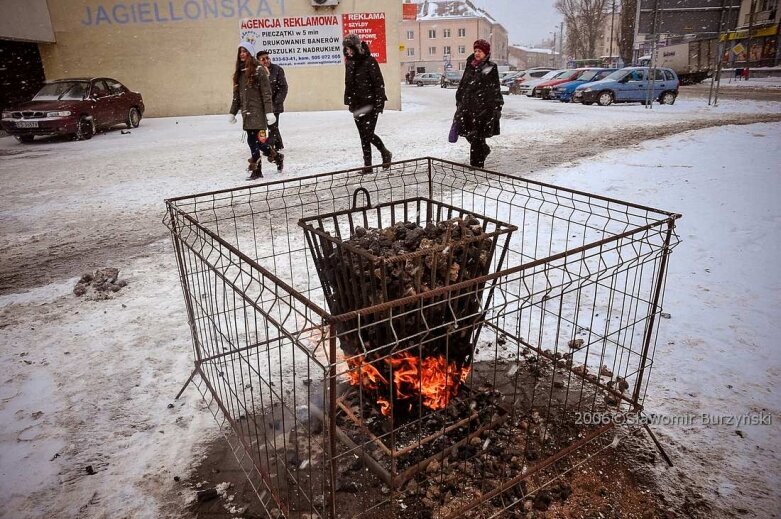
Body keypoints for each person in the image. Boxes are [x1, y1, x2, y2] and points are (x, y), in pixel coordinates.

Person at [229, 41, 283, 180]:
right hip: (247, 113)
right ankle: (276, 157)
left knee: (256, 141)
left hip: (259, 112)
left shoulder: (259, 70)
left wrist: (269, 112)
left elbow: (266, 93)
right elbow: (237, 95)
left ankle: (258, 170)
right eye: (240, 51)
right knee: (254, 142)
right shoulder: (239, 73)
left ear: (250, 53)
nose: (242, 54)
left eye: (245, 51)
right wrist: (233, 112)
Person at [342, 33, 392, 173]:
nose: (348, 51)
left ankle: (384, 152)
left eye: (350, 48)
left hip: (370, 103)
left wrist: (379, 103)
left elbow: (378, 83)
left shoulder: (369, 61)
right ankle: (368, 165)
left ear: (356, 47)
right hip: (357, 104)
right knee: (363, 136)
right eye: (346, 48)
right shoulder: (349, 63)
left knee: (368, 134)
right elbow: (348, 83)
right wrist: (349, 101)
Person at [455, 39, 503, 168]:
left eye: (480, 51)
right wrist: (459, 97)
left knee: (477, 135)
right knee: (465, 131)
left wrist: (496, 106)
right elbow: (464, 83)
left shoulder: (490, 67)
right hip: (467, 105)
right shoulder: (470, 65)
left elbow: (494, 88)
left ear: (485, 53)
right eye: (475, 50)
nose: (477, 53)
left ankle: (476, 164)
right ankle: (484, 150)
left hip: (482, 107)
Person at [256, 49, 288, 151]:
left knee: (273, 126)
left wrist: (276, 102)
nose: (266, 61)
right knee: (262, 127)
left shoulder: (277, 69)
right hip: (261, 105)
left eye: (267, 58)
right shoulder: (257, 71)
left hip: (275, 104)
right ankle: (277, 145)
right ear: (258, 61)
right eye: (263, 59)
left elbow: (283, 87)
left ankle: (270, 147)